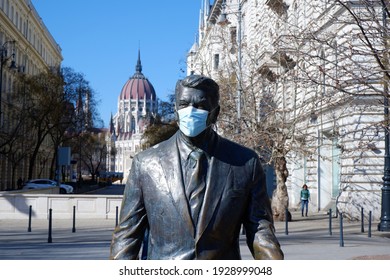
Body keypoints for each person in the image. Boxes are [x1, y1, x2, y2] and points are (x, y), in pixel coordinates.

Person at [110, 75, 284, 260]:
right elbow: (126, 237)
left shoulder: (245, 162)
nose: (190, 112)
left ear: (215, 113)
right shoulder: (145, 164)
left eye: (200, 106)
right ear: (175, 110)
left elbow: (260, 230)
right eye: (184, 105)